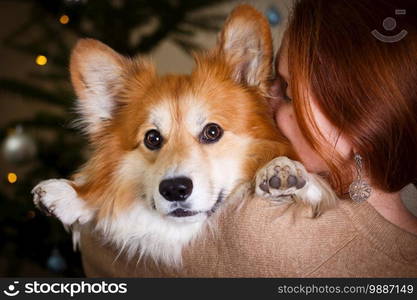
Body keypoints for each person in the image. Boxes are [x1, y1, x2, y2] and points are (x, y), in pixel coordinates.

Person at [79, 0, 417, 277]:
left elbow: (101, 235)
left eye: (286, 91)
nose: (266, 98)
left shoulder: (275, 235)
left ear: (357, 120)